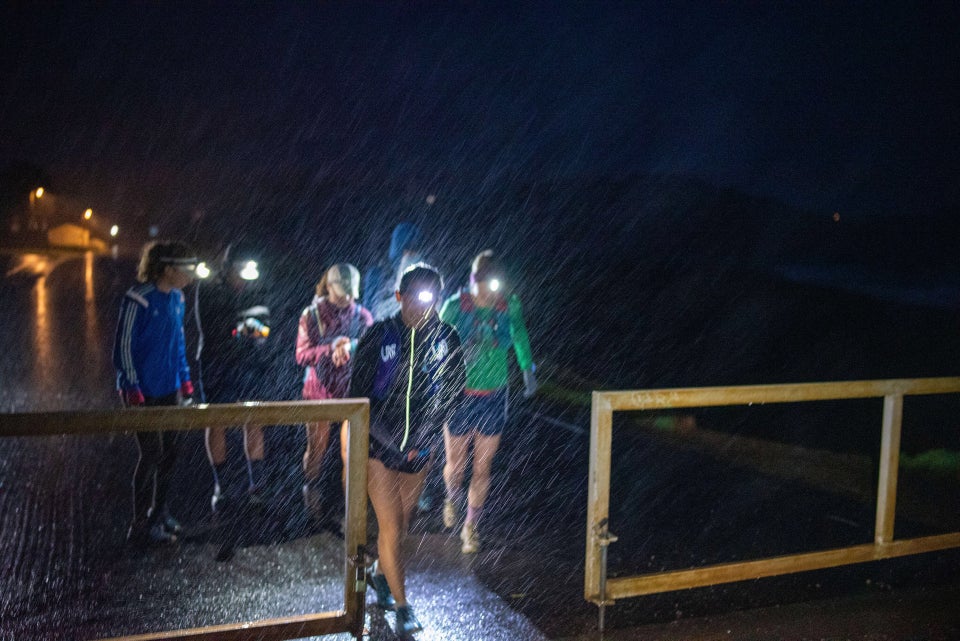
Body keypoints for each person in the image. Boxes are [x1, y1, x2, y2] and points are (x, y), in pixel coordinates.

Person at [349, 264, 465, 636]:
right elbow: (359, 397)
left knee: (403, 524)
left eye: (429, 298)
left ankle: (380, 577)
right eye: (413, 297)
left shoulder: (446, 336)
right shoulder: (379, 334)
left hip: (421, 450)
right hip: (378, 447)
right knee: (391, 525)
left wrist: (425, 442)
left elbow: (452, 393)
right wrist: (391, 444)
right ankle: (402, 607)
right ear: (399, 296)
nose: (421, 307)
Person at [439, 250, 538, 554]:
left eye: (492, 286)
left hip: (494, 396)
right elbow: (436, 344)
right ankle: (452, 496)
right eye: (480, 284)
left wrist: (527, 369)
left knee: (482, 467)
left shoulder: (509, 307)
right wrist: (450, 360)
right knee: (456, 465)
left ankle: (471, 527)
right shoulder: (455, 307)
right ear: (472, 281)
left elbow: (519, 336)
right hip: (459, 395)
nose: (486, 292)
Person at [113, 240, 198, 546]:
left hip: (170, 387)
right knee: (151, 453)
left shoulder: (178, 298)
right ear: (168, 269)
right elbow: (123, 347)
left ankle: (159, 513)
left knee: (171, 454)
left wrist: (185, 381)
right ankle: (139, 524)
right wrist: (132, 385)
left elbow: (177, 344)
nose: (192, 274)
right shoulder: (139, 298)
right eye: (187, 268)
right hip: (141, 390)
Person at [193, 241, 278, 512]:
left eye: (248, 273)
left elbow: (266, 327)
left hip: (250, 363)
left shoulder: (256, 286)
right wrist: (241, 327)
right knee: (217, 420)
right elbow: (213, 329)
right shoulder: (209, 289)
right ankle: (223, 486)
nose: (243, 280)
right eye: (238, 273)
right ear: (227, 268)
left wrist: (254, 330)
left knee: (253, 420)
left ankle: (258, 485)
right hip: (217, 363)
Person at [295, 263, 373, 525]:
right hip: (318, 392)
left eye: (351, 291)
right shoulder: (311, 315)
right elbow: (301, 354)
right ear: (328, 286)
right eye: (342, 291)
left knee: (351, 452)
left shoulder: (362, 316)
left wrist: (351, 345)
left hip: (350, 392)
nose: (347, 297)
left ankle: (349, 509)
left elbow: (371, 348)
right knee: (316, 448)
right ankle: (311, 495)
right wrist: (329, 349)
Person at [362, 221, 424, 322]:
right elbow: (371, 311)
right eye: (408, 250)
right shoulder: (378, 275)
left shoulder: (420, 275)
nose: (411, 255)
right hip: (384, 330)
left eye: (414, 251)